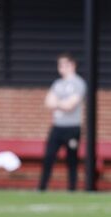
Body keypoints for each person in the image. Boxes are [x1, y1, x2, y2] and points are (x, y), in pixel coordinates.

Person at [38, 53, 86, 191]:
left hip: (72, 128)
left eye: (64, 64)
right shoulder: (57, 84)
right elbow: (48, 102)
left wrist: (57, 103)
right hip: (57, 127)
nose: (61, 68)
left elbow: (70, 105)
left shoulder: (78, 83)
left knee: (71, 161)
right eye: (60, 65)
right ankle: (41, 188)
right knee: (48, 157)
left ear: (72, 65)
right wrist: (61, 103)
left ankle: (72, 189)